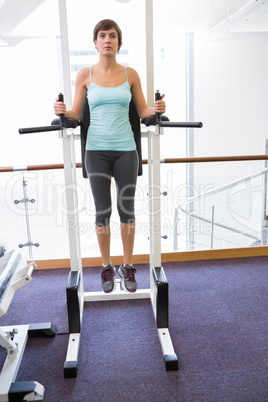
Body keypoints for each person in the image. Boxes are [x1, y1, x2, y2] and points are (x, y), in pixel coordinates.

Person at [54, 19, 165, 294]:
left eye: (112, 36)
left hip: (126, 150)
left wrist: (158, 108)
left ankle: (127, 266)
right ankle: (106, 266)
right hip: (96, 152)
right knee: (102, 212)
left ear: (118, 42)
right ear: (95, 42)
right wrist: (61, 110)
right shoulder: (85, 75)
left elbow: (142, 112)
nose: (107, 40)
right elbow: (76, 114)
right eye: (102, 36)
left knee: (126, 210)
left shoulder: (131, 75)